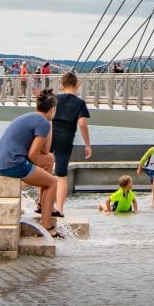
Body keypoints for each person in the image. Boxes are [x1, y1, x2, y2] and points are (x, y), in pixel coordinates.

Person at [0, 88, 60, 233]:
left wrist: (50, 123)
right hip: (13, 164)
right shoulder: (42, 123)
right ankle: (46, 225)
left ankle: (43, 204)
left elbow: (46, 151)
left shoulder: (32, 117)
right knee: (53, 182)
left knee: (50, 159)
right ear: (53, 109)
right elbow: (32, 155)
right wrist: (36, 172)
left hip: (0, 162)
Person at [51, 72, 92, 217]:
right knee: (61, 175)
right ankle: (60, 209)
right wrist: (87, 144)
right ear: (77, 85)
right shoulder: (80, 103)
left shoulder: (54, 99)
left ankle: (42, 203)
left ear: (61, 86)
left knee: (44, 169)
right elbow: (82, 124)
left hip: (50, 135)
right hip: (66, 138)